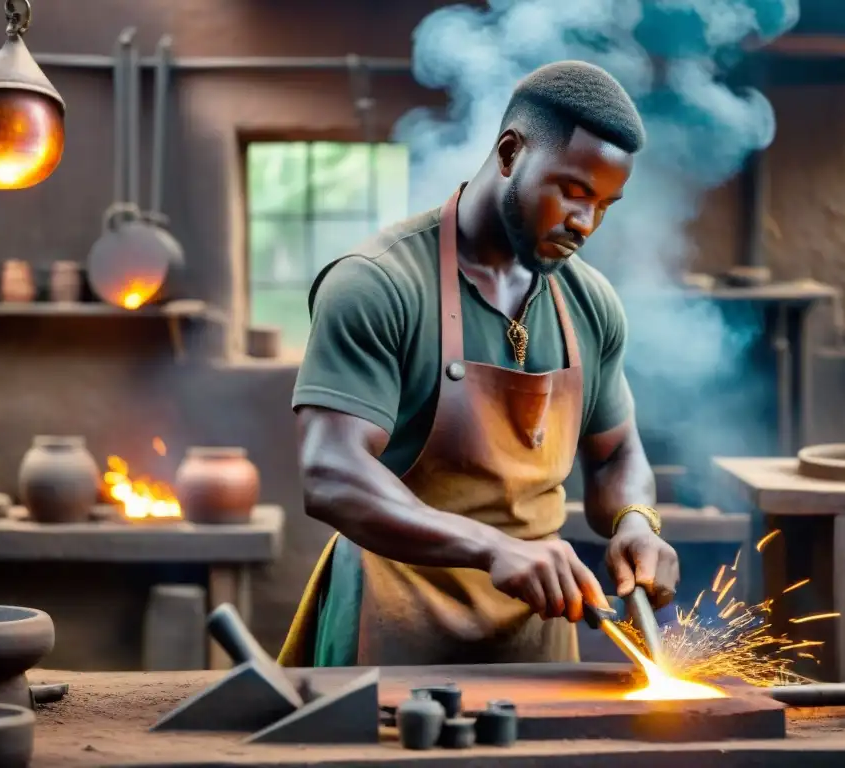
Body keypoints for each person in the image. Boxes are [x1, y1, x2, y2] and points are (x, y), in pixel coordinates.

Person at [279, 60, 680, 668]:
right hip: (391, 621)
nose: (585, 223)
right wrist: (494, 549)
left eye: (605, 205)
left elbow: (618, 453)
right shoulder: (377, 283)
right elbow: (330, 472)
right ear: (510, 152)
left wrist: (636, 522)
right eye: (572, 191)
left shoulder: (590, 303)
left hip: (536, 632)